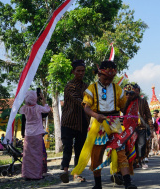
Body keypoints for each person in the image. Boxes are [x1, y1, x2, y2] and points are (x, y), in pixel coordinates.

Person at [71, 60, 137, 189]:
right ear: (99, 74)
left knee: (121, 152)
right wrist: (96, 115)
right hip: (98, 124)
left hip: (115, 124)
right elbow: (86, 107)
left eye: (111, 78)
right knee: (97, 154)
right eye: (106, 78)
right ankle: (98, 185)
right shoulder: (91, 89)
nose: (108, 80)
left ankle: (128, 183)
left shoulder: (117, 88)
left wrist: (132, 113)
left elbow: (124, 107)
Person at [60, 60, 89, 183]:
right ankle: (65, 172)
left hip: (82, 122)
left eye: (82, 71)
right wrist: (89, 105)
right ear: (73, 72)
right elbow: (77, 99)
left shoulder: (87, 86)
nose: (81, 73)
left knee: (80, 149)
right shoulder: (69, 86)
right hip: (68, 121)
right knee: (67, 147)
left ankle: (77, 173)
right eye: (78, 71)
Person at [19, 90, 51, 180]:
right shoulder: (38, 108)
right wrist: (43, 99)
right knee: (37, 155)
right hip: (37, 134)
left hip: (28, 134)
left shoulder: (24, 108)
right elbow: (47, 109)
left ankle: (26, 174)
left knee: (27, 155)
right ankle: (37, 175)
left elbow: (23, 120)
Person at [132, 83, 153, 169]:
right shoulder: (128, 101)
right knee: (132, 144)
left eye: (137, 91)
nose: (135, 92)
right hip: (131, 127)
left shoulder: (143, 101)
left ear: (139, 92)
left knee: (142, 144)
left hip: (141, 126)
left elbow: (148, 114)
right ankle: (134, 161)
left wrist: (151, 126)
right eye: (134, 91)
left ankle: (141, 160)